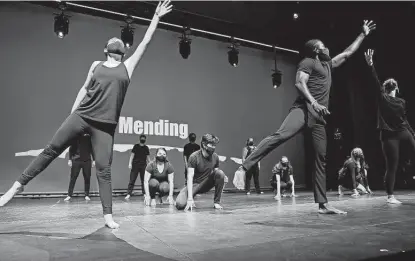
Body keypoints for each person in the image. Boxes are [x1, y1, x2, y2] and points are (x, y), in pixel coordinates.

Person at [0, 0, 173, 229]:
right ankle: (15, 188)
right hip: (82, 116)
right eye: (114, 44)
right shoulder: (96, 65)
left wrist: (156, 18)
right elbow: (84, 88)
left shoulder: (127, 67)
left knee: (104, 170)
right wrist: (73, 114)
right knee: (51, 150)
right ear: (107, 50)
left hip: (105, 126)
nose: (117, 45)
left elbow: (145, 42)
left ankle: (108, 216)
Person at [234, 20, 376, 214]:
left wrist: (362, 34)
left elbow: (348, 53)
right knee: (280, 136)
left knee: (321, 157)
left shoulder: (328, 64)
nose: (327, 47)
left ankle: (322, 205)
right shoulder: (308, 62)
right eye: (323, 46)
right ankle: (244, 167)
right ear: (317, 50)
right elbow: (300, 83)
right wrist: (314, 102)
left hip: (319, 118)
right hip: (303, 109)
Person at [364, 49, 415, 204]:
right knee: (391, 165)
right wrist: (371, 65)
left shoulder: (401, 102)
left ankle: (394, 191)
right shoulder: (383, 98)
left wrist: (413, 133)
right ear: (393, 88)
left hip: (402, 132)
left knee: (394, 164)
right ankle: (390, 196)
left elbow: (404, 119)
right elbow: (375, 81)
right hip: (389, 135)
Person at [175, 134, 228, 211]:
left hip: (206, 184)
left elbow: (216, 173)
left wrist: (223, 178)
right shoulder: (194, 157)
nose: (213, 147)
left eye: (214, 145)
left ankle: (217, 202)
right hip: (194, 185)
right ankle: (185, 193)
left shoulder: (215, 157)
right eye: (211, 145)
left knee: (220, 173)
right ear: (204, 144)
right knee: (180, 205)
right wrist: (190, 199)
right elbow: (190, 177)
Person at [65, 133, 95, 201]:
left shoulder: (88, 137)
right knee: (73, 178)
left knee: (87, 178)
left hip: (87, 160)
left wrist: (94, 160)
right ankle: (69, 195)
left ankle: (87, 195)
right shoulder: (75, 137)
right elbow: (71, 149)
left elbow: (92, 149)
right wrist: (69, 159)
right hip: (76, 160)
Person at [125, 134, 150, 200]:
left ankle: (144, 193)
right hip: (135, 165)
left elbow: (148, 158)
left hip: (143, 166)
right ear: (140, 139)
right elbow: (132, 155)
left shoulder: (146, 148)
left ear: (145, 140)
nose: (143, 139)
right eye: (142, 138)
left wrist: (150, 165)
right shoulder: (136, 146)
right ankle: (128, 194)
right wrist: (129, 163)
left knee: (143, 180)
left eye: (144, 138)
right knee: (132, 180)